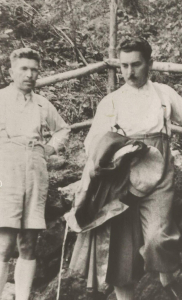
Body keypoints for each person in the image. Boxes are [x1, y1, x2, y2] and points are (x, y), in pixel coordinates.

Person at [68, 36, 182, 300]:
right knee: (121, 248)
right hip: (121, 177)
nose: (130, 71)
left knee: (157, 238)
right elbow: (93, 141)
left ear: (149, 63)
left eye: (136, 64)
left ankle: (167, 278)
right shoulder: (112, 101)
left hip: (159, 172)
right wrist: (104, 159)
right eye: (124, 65)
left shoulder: (165, 94)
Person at [0, 48, 70, 300]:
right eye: (24, 69)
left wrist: (50, 148)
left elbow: (63, 129)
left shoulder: (42, 104)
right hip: (6, 172)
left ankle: (21, 297)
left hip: (35, 171)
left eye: (34, 70)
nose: (29, 74)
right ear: (11, 72)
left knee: (28, 242)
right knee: (4, 244)